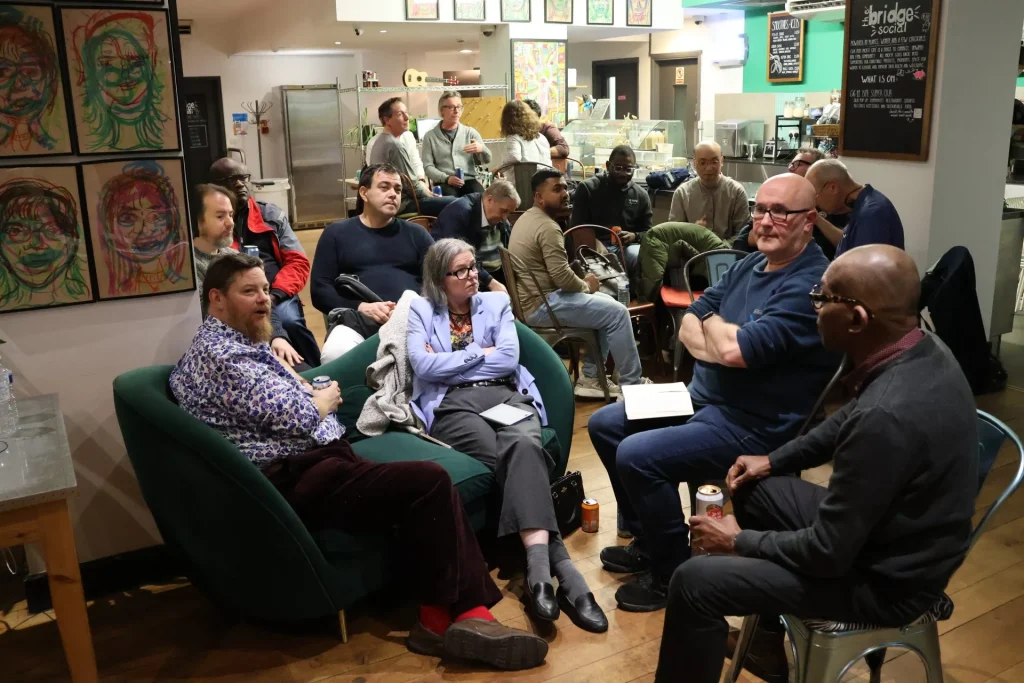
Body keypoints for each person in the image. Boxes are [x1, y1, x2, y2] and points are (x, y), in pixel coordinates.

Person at [169, 253, 549, 671]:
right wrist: (324, 399)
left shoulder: (229, 344)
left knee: (418, 488)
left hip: (313, 461)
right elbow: (297, 416)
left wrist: (307, 390)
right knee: (429, 481)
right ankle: (460, 618)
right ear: (216, 298)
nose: (264, 300)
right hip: (296, 474)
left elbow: (261, 400)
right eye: (249, 292)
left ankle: (447, 617)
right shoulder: (226, 356)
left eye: (264, 290)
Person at [655, 245, 978, 683]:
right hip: (895, 539)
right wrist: (773, 459)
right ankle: (768, 644)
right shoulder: (919, 347)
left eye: (822, 300)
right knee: (753, 484)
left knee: (694, 582)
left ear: (857, 318)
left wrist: (741, 541)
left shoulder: (886, 417)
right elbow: (847, 417)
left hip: (889, 583)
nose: (814, 307)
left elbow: (827, 552)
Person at [588, 173, 838, 611]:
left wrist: (721, 340)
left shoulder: (809, 285)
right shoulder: (749, 263)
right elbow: (691, 320)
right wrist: (723, 341)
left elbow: (733, 348)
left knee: (638, 456)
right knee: (606, 423)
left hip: (753, 424)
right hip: (702, 400)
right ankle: (649, 541)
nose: (765, 221)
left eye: (780, 212)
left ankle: (671, 574)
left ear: (809, 220)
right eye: (761, 209)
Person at [408, 238, 607, 634]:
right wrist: (479, 353)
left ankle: (537, 573)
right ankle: (564, 574)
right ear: (439, 278)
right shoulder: (420, 308)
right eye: (461, 271)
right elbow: (423, 366)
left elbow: (508, 358)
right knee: (516, 459)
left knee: (523, 444)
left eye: (473, 268)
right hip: (451, 406)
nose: (473, 277)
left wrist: (456, 360)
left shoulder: (496, 303)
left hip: (505, 393)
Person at [507, 169, 648, 399]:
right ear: (539, 197)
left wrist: (586, 287)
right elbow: (561, 277)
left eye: (564, 187)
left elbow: (557, 275)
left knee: (608, 303)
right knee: (619, 313)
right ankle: (633, 387)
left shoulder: (526, 218)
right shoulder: (548, 227)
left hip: (533, 302)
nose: (564, 193)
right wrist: (586, 285)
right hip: (543, 306)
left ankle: (590, 377)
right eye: (556, 189)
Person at [311, 164, 434, 361]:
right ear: (364, 193)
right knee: (334, 355)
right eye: (384, 187)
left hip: (410, 320)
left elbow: (442, 277)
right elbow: (319, 290)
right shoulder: (336, 233)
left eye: (398, 189)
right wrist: (360, 306)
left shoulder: (417, 234)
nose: (393, 194)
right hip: (356, 319)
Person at [209, 157, 321, 367]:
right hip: (237, 297)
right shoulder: (212, 224)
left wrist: (275, 295)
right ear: (216, 186)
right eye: (232, 179)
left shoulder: (271, 215)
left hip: (278, 291)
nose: (241, 184)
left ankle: (317, 370)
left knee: (291, 323)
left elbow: (298, 262)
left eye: (243, 178)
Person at [192, 183, 304, 368]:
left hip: (259, 345)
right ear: (198, 221)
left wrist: (277, 336)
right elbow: (208, 321)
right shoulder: (188, 266)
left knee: (305, 367)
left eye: (230, 214)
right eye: (220, 216)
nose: (230, 223)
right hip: (230, 357)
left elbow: (263, 302)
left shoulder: (235, 257)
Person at [734, 147, 841, 260]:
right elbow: (742, 241)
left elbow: (844, 244)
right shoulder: (778, 198)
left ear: (816, 169)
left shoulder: (828, 204)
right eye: (791, 164)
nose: (790, 168)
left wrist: (817, 218)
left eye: (797, 164)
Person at [569, 145, 653, 275]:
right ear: (608, 166)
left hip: (626, 247)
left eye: (629, 169)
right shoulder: (588, 188)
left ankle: (639, 294)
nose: (623, 174)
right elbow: (578, 228)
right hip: (594, 245)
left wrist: (634, 236)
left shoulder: (641, 195)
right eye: (618, 168)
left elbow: (648, 232)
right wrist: (598, 248)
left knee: (640, 257)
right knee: (599, 260)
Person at [369, 97, 457, 218]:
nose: (407, 118)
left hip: (387, 201)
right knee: (456, 203)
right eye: (400, 114)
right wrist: (431, 196)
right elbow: (412, 187)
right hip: (403, 203)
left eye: (407, 113)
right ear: (387, 120)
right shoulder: (395, 146)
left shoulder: (380, 141)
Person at [805, 158, 904, 258]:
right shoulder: (861, 206)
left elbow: (865, 270)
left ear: (832, 188)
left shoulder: (871, 214)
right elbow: (848, 244)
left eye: (815, 196)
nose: (814, 203)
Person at [434, 180, 519, 293]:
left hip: (494, 274)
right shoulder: (458, 213)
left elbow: (509, 251)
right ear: (489, 200)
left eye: (509, 213)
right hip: (464, 277)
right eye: (503, 211)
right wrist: (491, 282)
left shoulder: (500, 219)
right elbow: (459, 258)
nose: (505, 218)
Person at [668, 140, 750, 240]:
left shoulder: (736, 192)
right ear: (694, 163)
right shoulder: (682, 194)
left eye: (714, 162)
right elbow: (673, 235)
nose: (708, 168)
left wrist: (719, 249)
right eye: (702, 163)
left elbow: (742, 235)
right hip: (692, 253)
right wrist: (692, 232)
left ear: (722, 161)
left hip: (727, 252)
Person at [421, 91, 491, 197]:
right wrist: (446, 178)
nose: (456, 111)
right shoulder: (430, 137)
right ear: (442, 111)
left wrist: (481, 149)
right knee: (451, 199)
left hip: (469, 180)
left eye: (459, 107)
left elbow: (487, 159)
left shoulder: (470, 132)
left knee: (480, 198)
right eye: (452, 107)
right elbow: (428, 167)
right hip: (444, 182)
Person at [497, 100, 553, 169]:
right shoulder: (541, 137)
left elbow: (514, 157)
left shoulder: (514, 138)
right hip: (547, 176)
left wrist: (499, 169)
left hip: (528, 178)